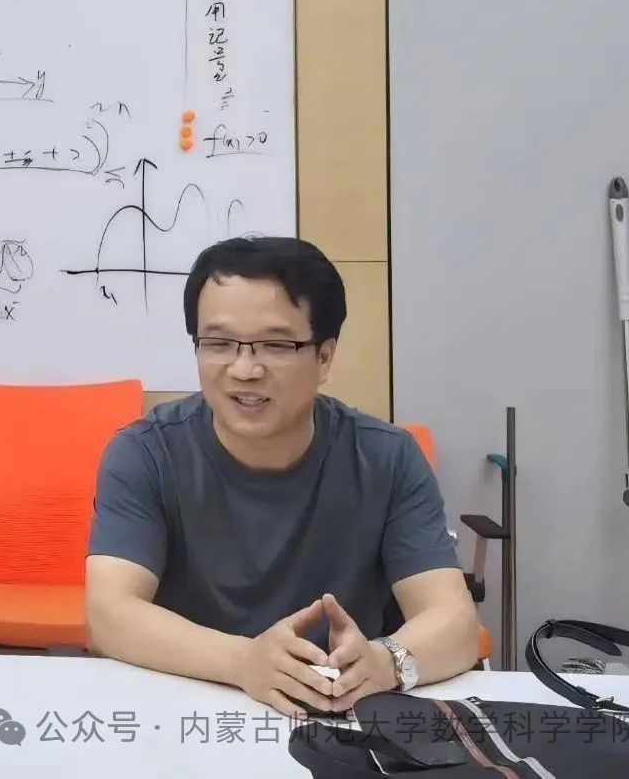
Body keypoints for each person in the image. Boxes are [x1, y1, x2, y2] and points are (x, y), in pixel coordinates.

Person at [85, 236, 479, 718]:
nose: (244, 369)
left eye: (275, 345)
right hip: (186, 704)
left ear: (325, 357)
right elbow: (109, 614)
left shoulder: (387, 457)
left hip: (340, 713)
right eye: (219, 344)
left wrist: (384, 662)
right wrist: (245, 661)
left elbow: (454, 622)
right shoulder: (145, 453)